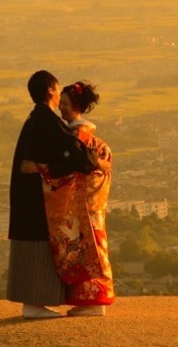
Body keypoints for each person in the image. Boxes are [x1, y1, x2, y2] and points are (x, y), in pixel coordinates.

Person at [6, 70, 99, 319]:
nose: (60, 97)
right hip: (37, 200)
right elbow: (81, 157)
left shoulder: (35, 119)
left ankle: (33, 304)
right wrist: (90, 157)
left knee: (31, 249)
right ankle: (35, 304)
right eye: (58, 90)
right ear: (51, 91)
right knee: (39, 248)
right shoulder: (47, 121)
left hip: (26, 198)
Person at [27, 81, 115, 316]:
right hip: (89, 207)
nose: (61, 109)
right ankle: (92, 302)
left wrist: (38, 168)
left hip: (81, 207)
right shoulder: (89, 138)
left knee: (86, 251)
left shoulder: (77, 137)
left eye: (65, 104)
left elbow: (67, 169)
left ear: (77, 107)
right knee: (93, 249)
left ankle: (94, 303)